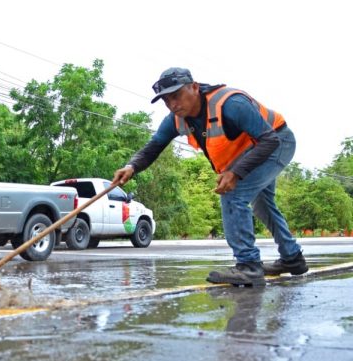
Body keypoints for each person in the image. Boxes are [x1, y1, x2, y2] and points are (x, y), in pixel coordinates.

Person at [113, 67, 308, 286]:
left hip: (277, 142)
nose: (173, 104)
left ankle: (249, 266)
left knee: (233, 194)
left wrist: (235, 172)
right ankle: (293, 259)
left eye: (176, 96)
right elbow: (154, 146)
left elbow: (269, 140)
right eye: (167, 101)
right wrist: (132, 166)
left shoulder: (231, 104)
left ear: (194, 87)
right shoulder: (176, 119)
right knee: (263, 205)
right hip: (251, 152)